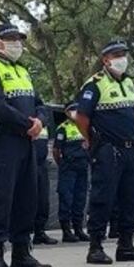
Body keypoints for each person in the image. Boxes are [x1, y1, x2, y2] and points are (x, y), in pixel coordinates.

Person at [0, 22, 52, 267]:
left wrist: (40, 120)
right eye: (11, 39)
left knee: (26, 199)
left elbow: (40, 103)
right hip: (3, 143)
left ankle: (22, 254)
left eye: (18, 39)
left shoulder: (23, 72)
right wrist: (28, 124)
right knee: (0, 199)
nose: (16, 44)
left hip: (26, 143)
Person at [75, 40, 134, 264]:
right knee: (103, 197)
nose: (122, 59)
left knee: (132, 198)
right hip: (108, 149)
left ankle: (126, 245)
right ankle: (95, 246)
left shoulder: (128, 83)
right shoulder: (95, 84)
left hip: (130, 149)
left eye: (123, 54)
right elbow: (81, 117)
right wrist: (92, 140)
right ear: (105, 60)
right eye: (116, 55)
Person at [54, 102, 90, 243]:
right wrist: (62, 164)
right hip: (68, 167)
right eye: (71, 110)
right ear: (67, 113)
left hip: (83, 166)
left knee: (80, 199)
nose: (75, 112)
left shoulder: (84, 126)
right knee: (66, 198)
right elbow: (56, 150)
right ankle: (66, 231)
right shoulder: (63, 128)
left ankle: (78, 229)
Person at [32, 123, 58, 245]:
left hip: (42, 164)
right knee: (27, 201)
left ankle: (40, 232)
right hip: (28, 165)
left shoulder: (44, 123)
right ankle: (22, 235)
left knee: (43, 200)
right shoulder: (27, 117)